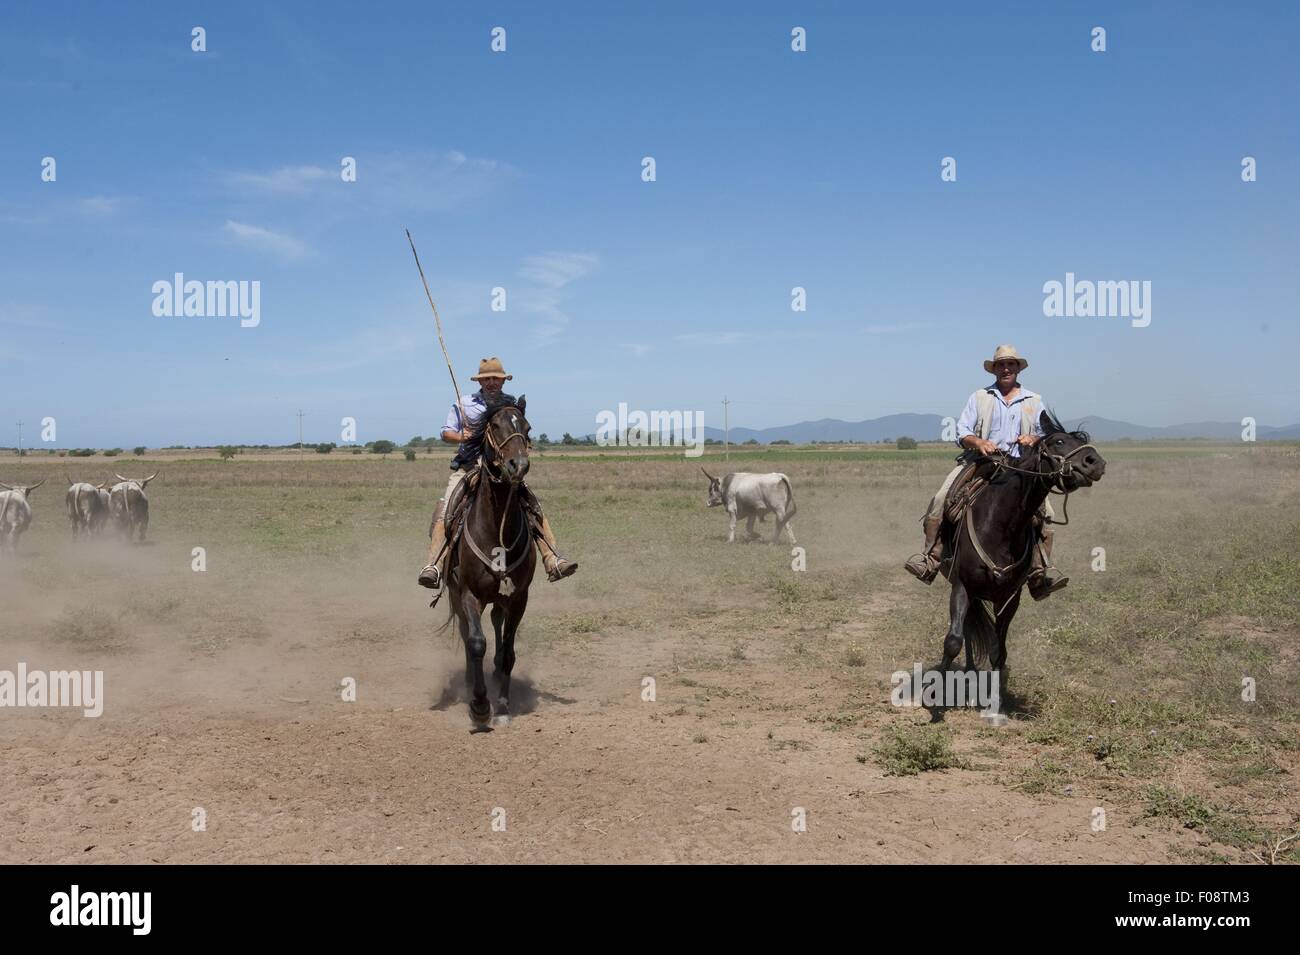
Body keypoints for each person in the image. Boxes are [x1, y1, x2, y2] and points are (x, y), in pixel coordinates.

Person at [904, 344, 1067, 600]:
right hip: (981, 462)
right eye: (1001, 365)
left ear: (1017, 369)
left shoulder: (1033, 401)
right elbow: (963, 432)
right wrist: (979, 443)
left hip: (1020, 468)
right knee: (940, 499)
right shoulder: (980, 397)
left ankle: (1039, 572)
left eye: (1010, 364)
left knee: (1047, 512)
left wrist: (1033, 439)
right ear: (994, 370)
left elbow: (1046, 434)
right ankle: (931, 558)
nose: (1005, 369)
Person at [417, 356, 577, 591]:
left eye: (496, 378)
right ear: (480, 381)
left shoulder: (510, 404)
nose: (492, 382)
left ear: (503, 381)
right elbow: (446, 433)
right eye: (487, 378)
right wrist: (466, 436)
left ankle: (552, 558)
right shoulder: (465, 403)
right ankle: (434, 565)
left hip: (501, 470)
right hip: (469, 467)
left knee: (534, 506)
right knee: (447, 510)